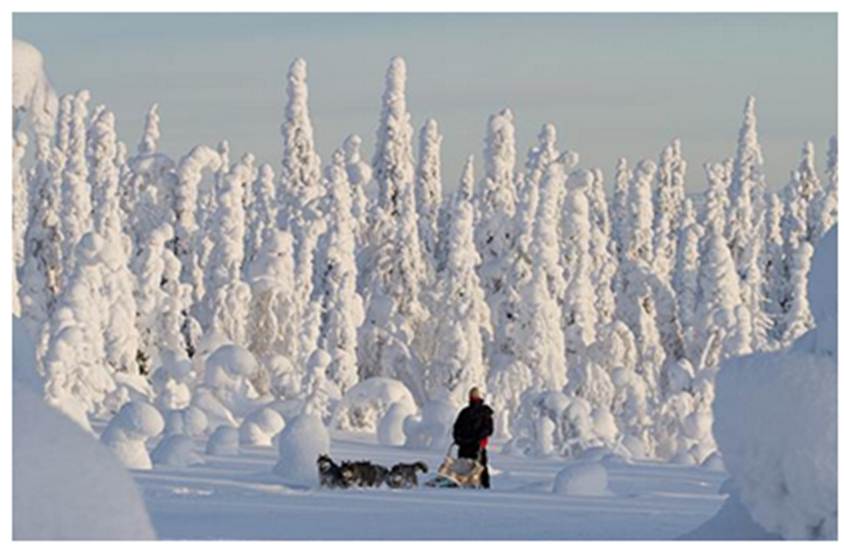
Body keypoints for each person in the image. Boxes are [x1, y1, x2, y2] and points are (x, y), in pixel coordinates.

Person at [452, 386, 494, 488]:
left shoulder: (484, 412)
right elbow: (457, 427)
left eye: (474, 396)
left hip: (476, 445)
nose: (473, 398)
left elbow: (488, 429)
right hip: (465, 445)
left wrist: (477, 438)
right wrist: (458, 438)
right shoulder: (465, 412)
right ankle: (466, 486)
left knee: (479, 468)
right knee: (465, 468)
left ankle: (483, 487)